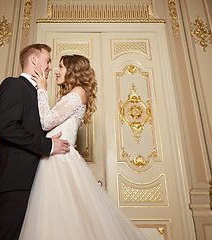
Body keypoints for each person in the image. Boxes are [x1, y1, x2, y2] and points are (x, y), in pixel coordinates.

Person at [19, 54, 147, 240]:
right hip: (54, 157)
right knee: (57, 218)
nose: (56, 70)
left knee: (67, 217)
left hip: (60, 162)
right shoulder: (72, 94)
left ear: (72, 71)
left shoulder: (78, 92)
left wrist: (42, 90)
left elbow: (46, 122)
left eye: (61, 67)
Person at [0, 44, 70, 240]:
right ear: (34, 61)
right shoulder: (13, 85)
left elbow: (32, 130)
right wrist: (49, 146)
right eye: (48, 61)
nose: (51, 67)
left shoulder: (38, 94)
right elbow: (8, 127)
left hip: (36, 180)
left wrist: (62, 145)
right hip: (16, 181)